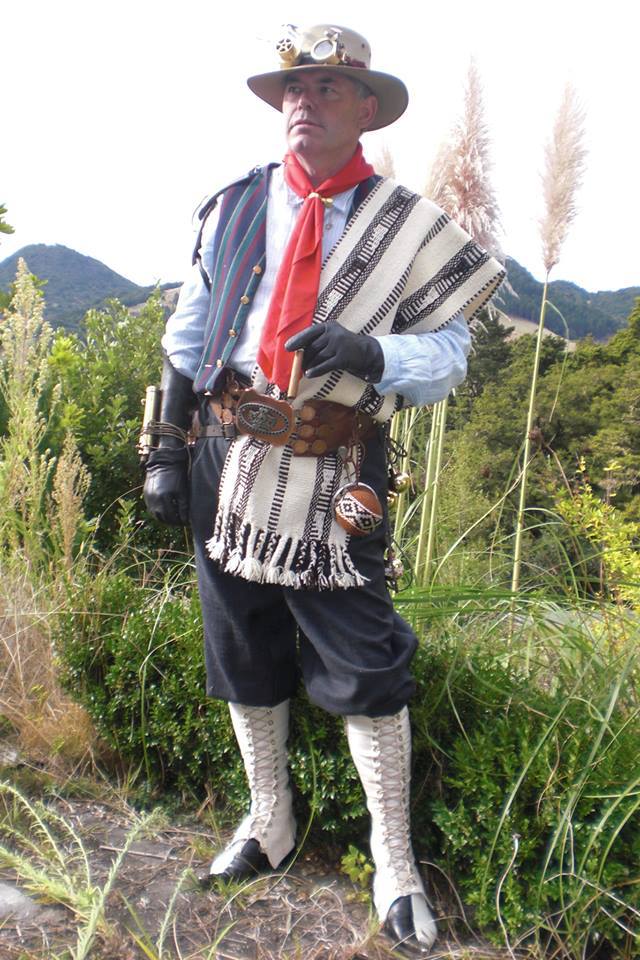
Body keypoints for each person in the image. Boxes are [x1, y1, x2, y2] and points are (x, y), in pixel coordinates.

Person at [143, 23, 504, 956]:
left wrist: (371, 352)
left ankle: (394, 863)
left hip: (338, 465)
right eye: (294, 88)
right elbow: (189, 337)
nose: (305, 101)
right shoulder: (234, 207)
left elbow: (451, 358)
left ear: (367, 109)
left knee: (365, 659)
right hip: (226, 450)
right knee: (241, 642)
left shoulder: (412, 229)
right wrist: (166, 452)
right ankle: (270, 821)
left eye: (328, 88)